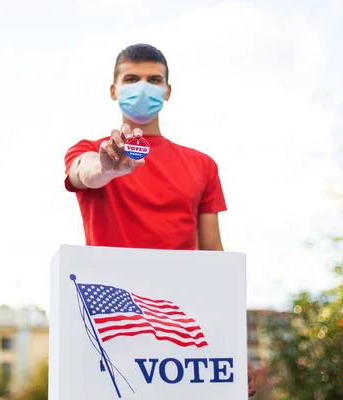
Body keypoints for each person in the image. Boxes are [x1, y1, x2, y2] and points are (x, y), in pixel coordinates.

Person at [63, 43, 257, 397]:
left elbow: (214, 254)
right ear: (114, 90)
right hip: (114, 328)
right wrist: (106, 168)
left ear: (167, 91)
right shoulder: (90, 150)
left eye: (153, 80)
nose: (142, 87)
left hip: (182, 327)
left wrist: (232, 344)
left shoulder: (202, 165)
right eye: (131, 78)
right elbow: (84, 173)